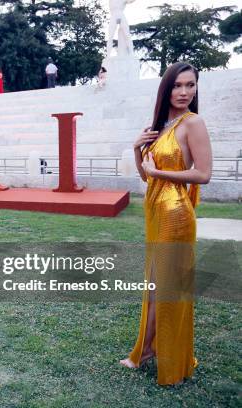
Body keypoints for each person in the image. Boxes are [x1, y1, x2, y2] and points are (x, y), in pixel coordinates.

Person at [119, 61, 213, 386]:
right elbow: (146, 175)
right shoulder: (163, 125)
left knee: (168, 288)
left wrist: (161, 174)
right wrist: (136, 148)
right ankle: (147, 348)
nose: (184, 92)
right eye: (178, 85)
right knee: (157, 285)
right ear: (167, 89)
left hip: (176, 214)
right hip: (156, 211)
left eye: (190, 85)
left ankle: (163, 356)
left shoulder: (193, 123)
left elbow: (203, 174)